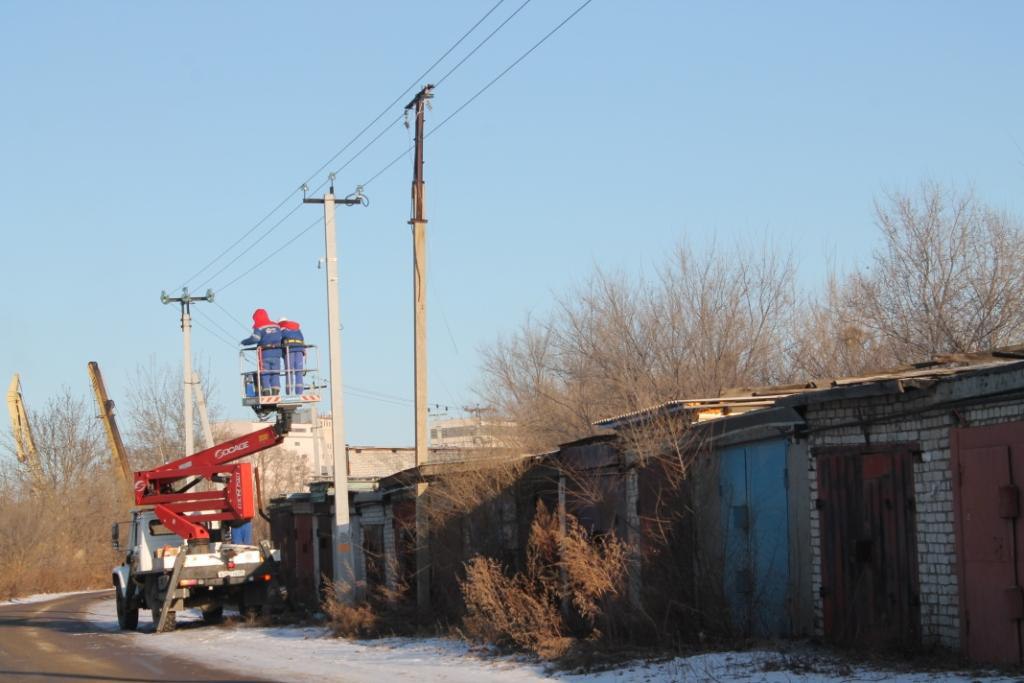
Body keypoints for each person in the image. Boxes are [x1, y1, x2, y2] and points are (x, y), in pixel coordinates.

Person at [240, 309, 283, 395]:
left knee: (265, 373)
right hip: (277, 354)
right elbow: (280, 337)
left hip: (265, 354)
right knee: (275, 372)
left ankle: (266, 391)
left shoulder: (259, 326)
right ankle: (275, 392)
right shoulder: (277, 326)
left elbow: (256, 338)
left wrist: (244, 342)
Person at [278, 317, 305, 395]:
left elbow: (279, 341)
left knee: (289, 371)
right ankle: (299, 392)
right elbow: (302, 339)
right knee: (299, 371)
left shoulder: (282, 328)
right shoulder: (297, 329)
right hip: (300, 350)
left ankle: (289, 392)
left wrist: (282, 355)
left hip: (289, 350)